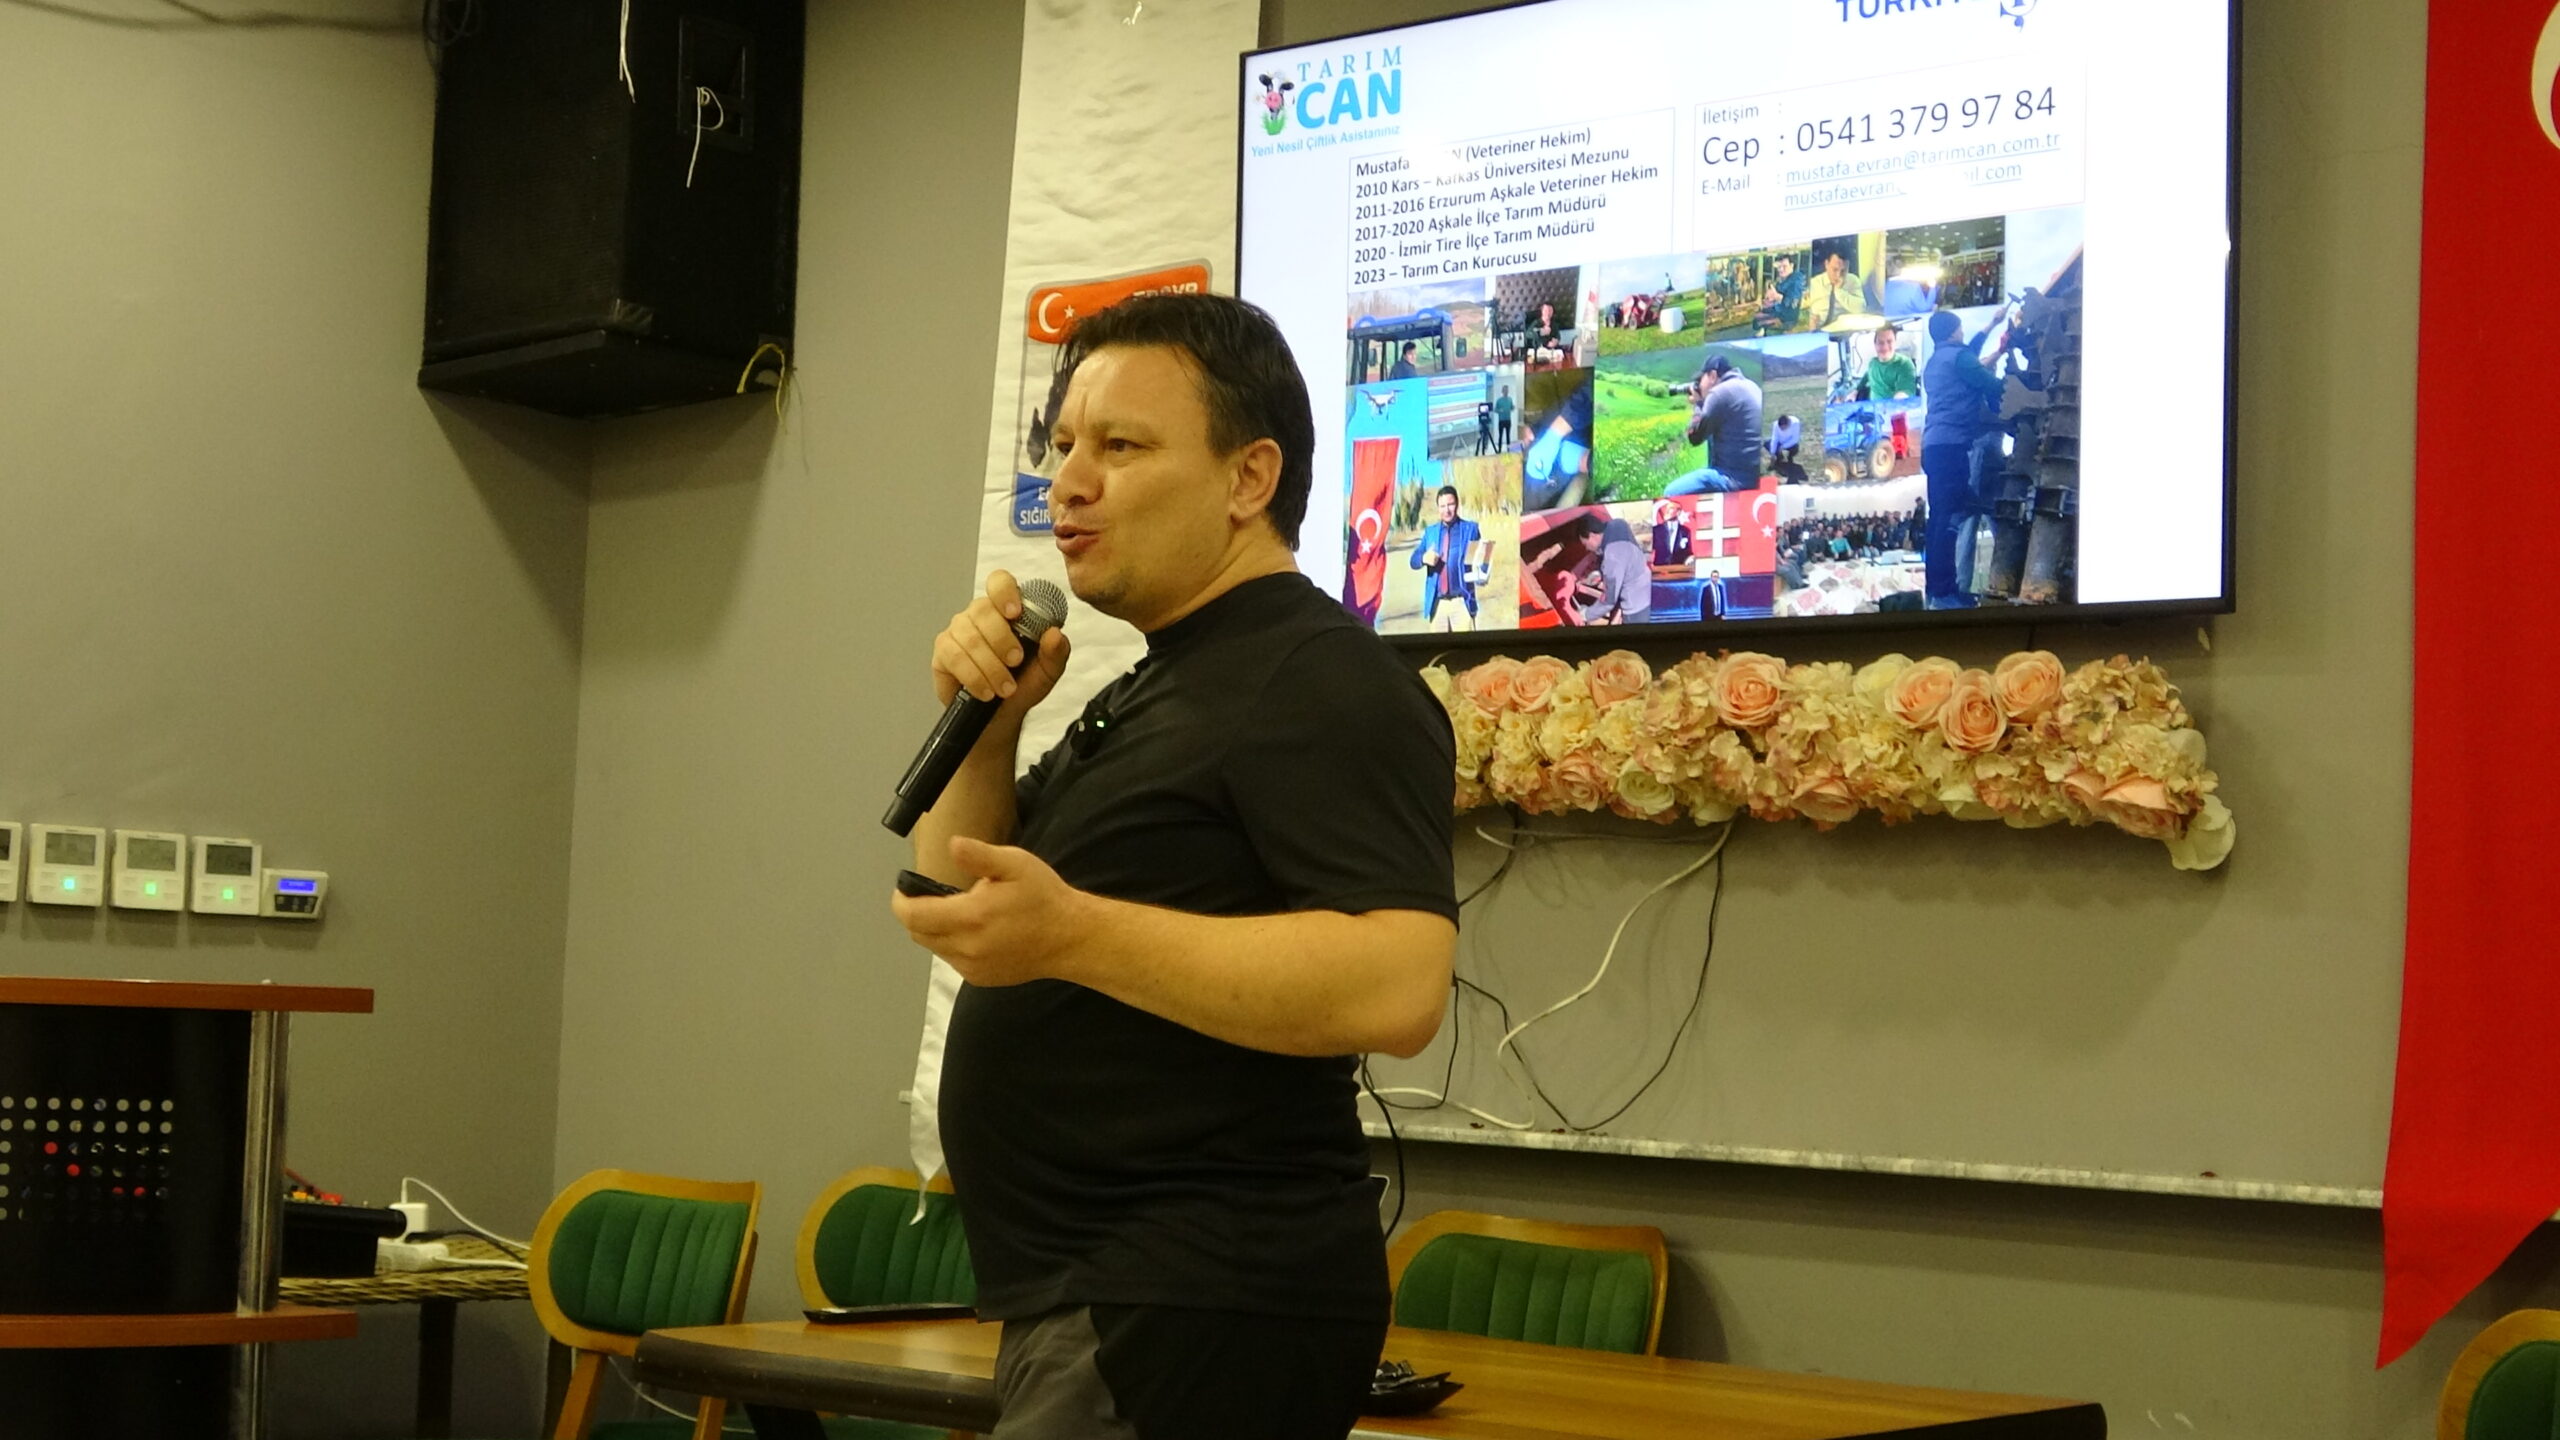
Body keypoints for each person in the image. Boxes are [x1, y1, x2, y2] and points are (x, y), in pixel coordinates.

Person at [895, 293, 1458, 1440]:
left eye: (1119, 446)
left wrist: (1075, 935)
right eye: (1063, 445)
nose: (1068, 483)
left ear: (1249, 478)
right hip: (1108, 1297)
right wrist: (986, 723)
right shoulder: (1160, 685)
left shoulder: (1317, 677)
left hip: (1194, 1294)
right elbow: (958, 890)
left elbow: (1399, 985)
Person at [1919, 308, 2009, 608]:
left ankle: (1938, 589)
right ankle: (1946, 593)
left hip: (1934, 448)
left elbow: (1971, 353)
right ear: (1953, 332)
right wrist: (2020, 391)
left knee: (1939, 520)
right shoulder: (1960, 359)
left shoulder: (1938, 360)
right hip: (1952, 447)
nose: (1962, 333)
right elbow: (1989, 383)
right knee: (1949, 521)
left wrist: (1993, 325)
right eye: (1960, 328)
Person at [1665, 355, 1763, 494]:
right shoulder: (1751, 385)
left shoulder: (1720, 392)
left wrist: (1699, 403)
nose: (1699, 385)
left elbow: (1695, 437)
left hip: (1736, 479)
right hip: (1757, 476)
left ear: (1712, 376)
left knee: (1670, 492)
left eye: (1701, 380)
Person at [1411, 484, 1483, 631]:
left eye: (1450, 504)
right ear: (1438, 508)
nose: (1447, 510)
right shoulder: (1430, 533)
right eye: (1442, 506)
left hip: (1462, 603)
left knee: (1467, 646)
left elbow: (1479, 559)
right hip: (1438, 605)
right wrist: (1424, 558)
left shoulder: (1470, 530)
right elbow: (1413, 561)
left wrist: (1482, 569)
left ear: (1457, 504)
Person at [1590, 518, 1651, 625]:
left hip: (1636, 611)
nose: (1587, 548)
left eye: (1585, 544)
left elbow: (1609, 601)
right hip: (1647, 594)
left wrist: (1586, 614)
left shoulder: (1612, 556)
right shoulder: (1619, 527)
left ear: (1592, 535)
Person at [1801, 246, 1867, 331]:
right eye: (1835, 269)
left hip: (1843, 330)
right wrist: (1809, 322)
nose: (1838, 275)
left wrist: (1839, 292)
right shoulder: (1814, 283)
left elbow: (1861, 308)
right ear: (1826, 264)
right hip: (1818, 329)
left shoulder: (1853, 281)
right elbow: (1801, 307)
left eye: (1843, 271)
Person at [1863, 324, 1918, 400]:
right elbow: (1865, 378)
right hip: (1872, 407)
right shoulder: (1872, 363)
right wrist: (1855, 391)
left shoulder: (1905, 364)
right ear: (1875, 345)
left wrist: (1898, 399)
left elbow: (1906, 391)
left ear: (1895, 343)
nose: (1885, 347)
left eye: (1889, 341)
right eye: (1881, 342)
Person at [1754, 255, 1803, 334]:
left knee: (1758, 322)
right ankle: (1763, 332)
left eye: (1784, 266)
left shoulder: (1796, 281)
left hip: (1787, 319)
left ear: (1792, 265)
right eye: (1779, 267)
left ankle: (1765, 333)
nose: (1781, 269)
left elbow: (1792, 304)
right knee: (1756, 317)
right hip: (1778, 312)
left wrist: (1777, 297)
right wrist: (1768, 301)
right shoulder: (1782, 279)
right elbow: (1774, 298)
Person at [1492, 383, 1515, 449]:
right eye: (1505, 390)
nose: (1506, 391)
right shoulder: (1499, 400)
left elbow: (1511, 407)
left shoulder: (1510, 399)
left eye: (1507, 390)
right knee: (1500, 436)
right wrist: (1499, 410)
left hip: (1508, 420)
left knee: (1508, 436)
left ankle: (1509, 449)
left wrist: (1513, 408)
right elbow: (1495, 409)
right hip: (1501, 420)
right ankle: (1499, 450)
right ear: (1502, 391)